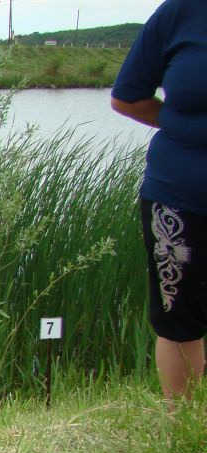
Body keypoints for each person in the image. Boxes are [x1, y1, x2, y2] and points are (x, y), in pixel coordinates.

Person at [110, 0, 206, 404]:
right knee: (178, 320)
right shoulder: (181, 12)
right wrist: (183, 125)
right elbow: (127, 97)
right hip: (179, 199)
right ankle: (186, 437)